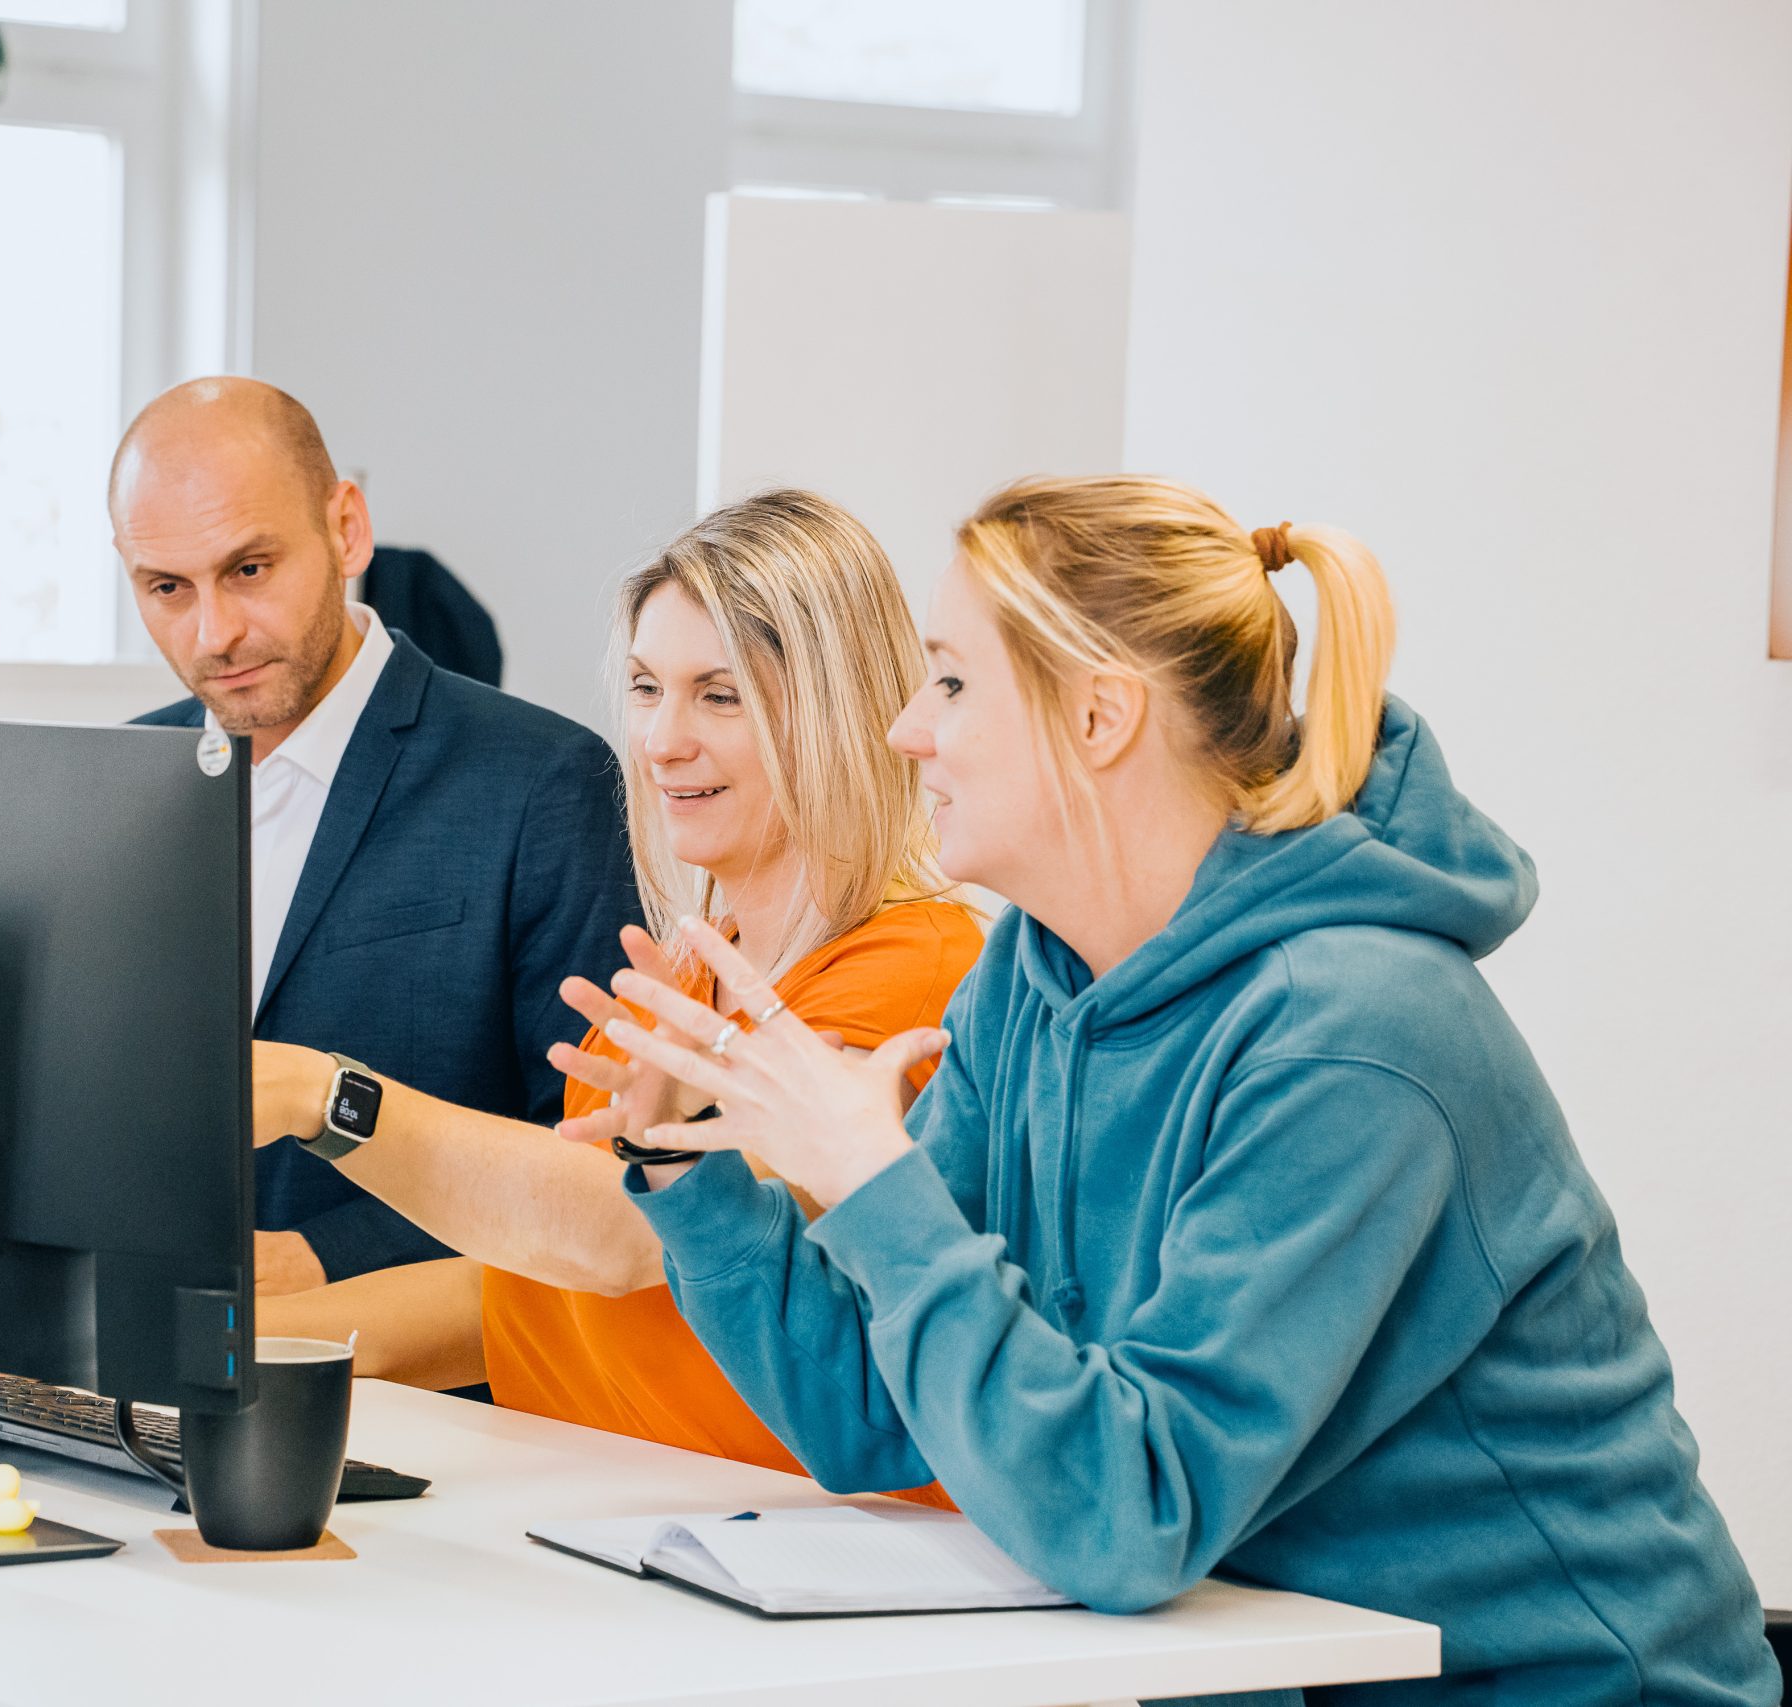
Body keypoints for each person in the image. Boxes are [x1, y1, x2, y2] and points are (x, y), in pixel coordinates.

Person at [594, 476, 1774, 1703]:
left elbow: (1126, 1515)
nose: (903, 731)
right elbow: (867, 1421)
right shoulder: (1034, 979)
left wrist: (874, 1180)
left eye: (949, 683)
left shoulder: (1354, 1033)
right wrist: (693, 1172)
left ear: (1099, 718)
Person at [253, 490, 983, 1502]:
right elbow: (530, 1288)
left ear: (836, 712)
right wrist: (203, 1348)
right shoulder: (684, 979)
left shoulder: (911, 972)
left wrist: (313, 1094)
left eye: (719, 696)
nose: (661, 739)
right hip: (592, 1519)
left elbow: (618, 1237)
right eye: (646, 688)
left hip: (781, 1557)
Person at [113, 377, 637, 1293]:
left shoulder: (543, 782)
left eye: (249, 568)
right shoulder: (116, 783)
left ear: (345, 528)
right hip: (125, 1383)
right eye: (166, 588)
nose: (216, 633)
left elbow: (589, 1166)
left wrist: (322, 1260)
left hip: (425, 1409)